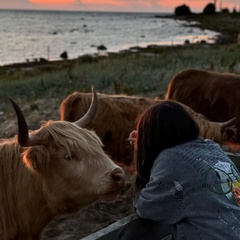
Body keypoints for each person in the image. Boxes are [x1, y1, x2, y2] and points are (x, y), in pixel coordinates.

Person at [128, 100, 240, 240]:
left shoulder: (171, 160)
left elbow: (146, 207)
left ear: (154, 137)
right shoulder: (211, 147)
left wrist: (142, 150)